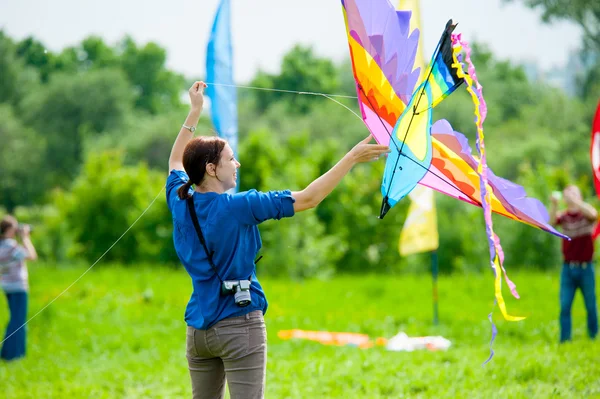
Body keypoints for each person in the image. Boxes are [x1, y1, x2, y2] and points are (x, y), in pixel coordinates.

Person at [166, 81, 390, 399]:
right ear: (212, 168)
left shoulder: (179, 198)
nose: (237, 164)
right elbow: (308, 199)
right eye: (231, 159)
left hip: (197, 331)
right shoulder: (239, 206)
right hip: (238, 327)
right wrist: (351, 158)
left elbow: (176, 162)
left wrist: (195, 112)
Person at [550, 185, 598, 343]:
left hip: (586, 268)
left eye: (574, 193)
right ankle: (565, 340)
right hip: (568, 269)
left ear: (580, 197)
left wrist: (577, 202)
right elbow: (550, 223)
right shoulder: (564, 217)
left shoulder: (586, 216)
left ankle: (594, 336)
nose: (570, 196)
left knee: (591, 306)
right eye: (568, 194)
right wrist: (555, 204)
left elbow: (594, 214)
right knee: (565, 306)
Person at [0, 215, 38, 361]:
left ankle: (7, 352)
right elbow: (32, 256)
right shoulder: (11, 246)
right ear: (9, 229)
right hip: (18, 286)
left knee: (14, 318)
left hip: (6, 286)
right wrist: (26, 237)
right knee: (18, 321)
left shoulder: (1, 245)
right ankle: (13, 354)